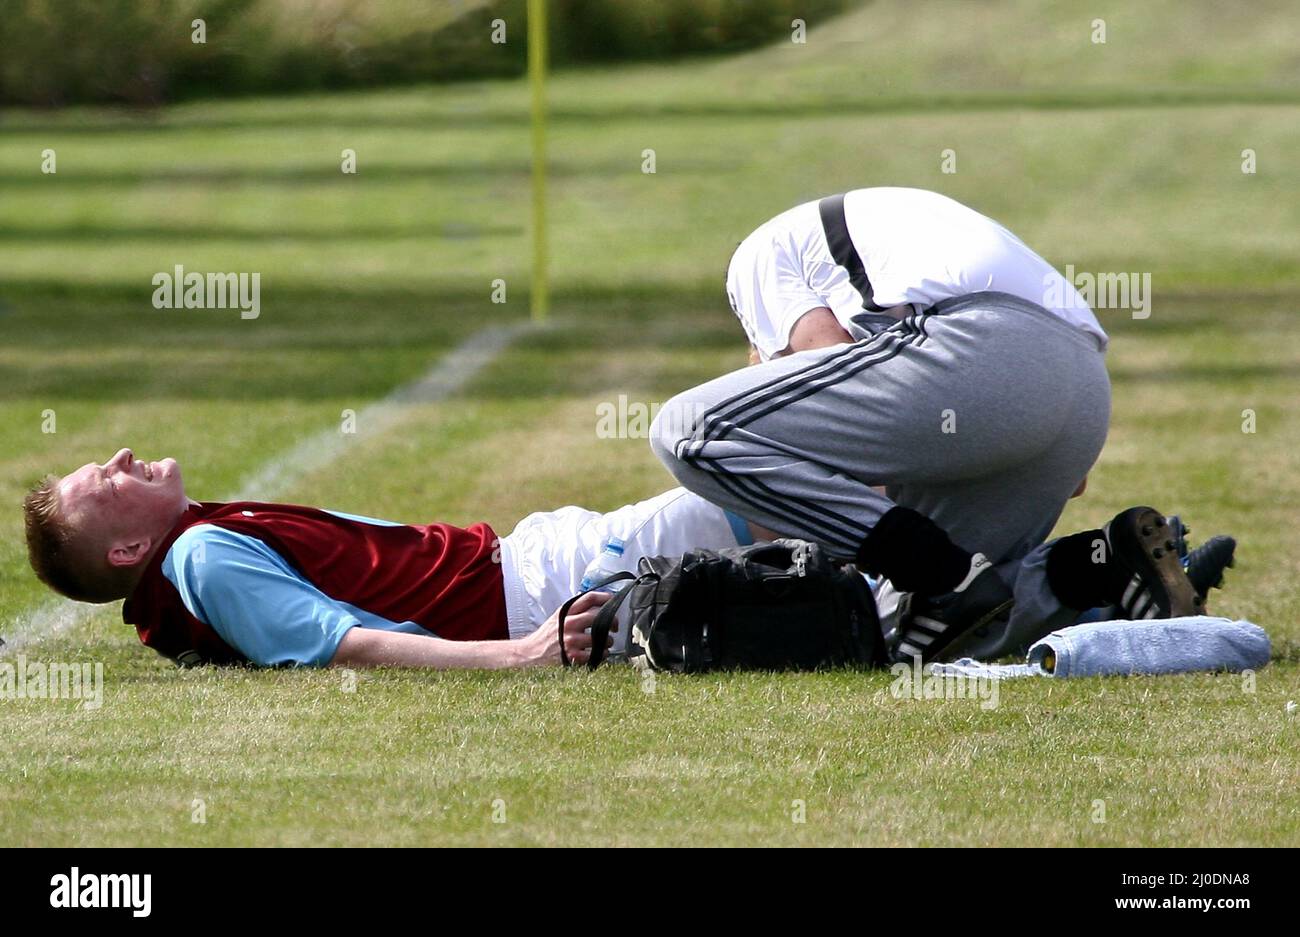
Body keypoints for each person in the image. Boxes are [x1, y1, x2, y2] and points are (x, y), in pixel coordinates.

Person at [651, 186, 1201, 662]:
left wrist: (821, 511)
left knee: (690, 429)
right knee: (915, 633)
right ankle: (1102, 569)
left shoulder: (758, 255)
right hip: (1082, 394)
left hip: (979, 352)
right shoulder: (904, 235)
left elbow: (821, 356)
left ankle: (948, 578)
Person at [22, 448, 748, 669]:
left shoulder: (195, 537)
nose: (119, 457)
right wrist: (521, 655)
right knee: (767, 480)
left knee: (768, 490)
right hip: (540, 590)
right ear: (127, 549)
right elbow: (341, 645)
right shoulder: (202, 557)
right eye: (104, 482)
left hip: (530, 556)